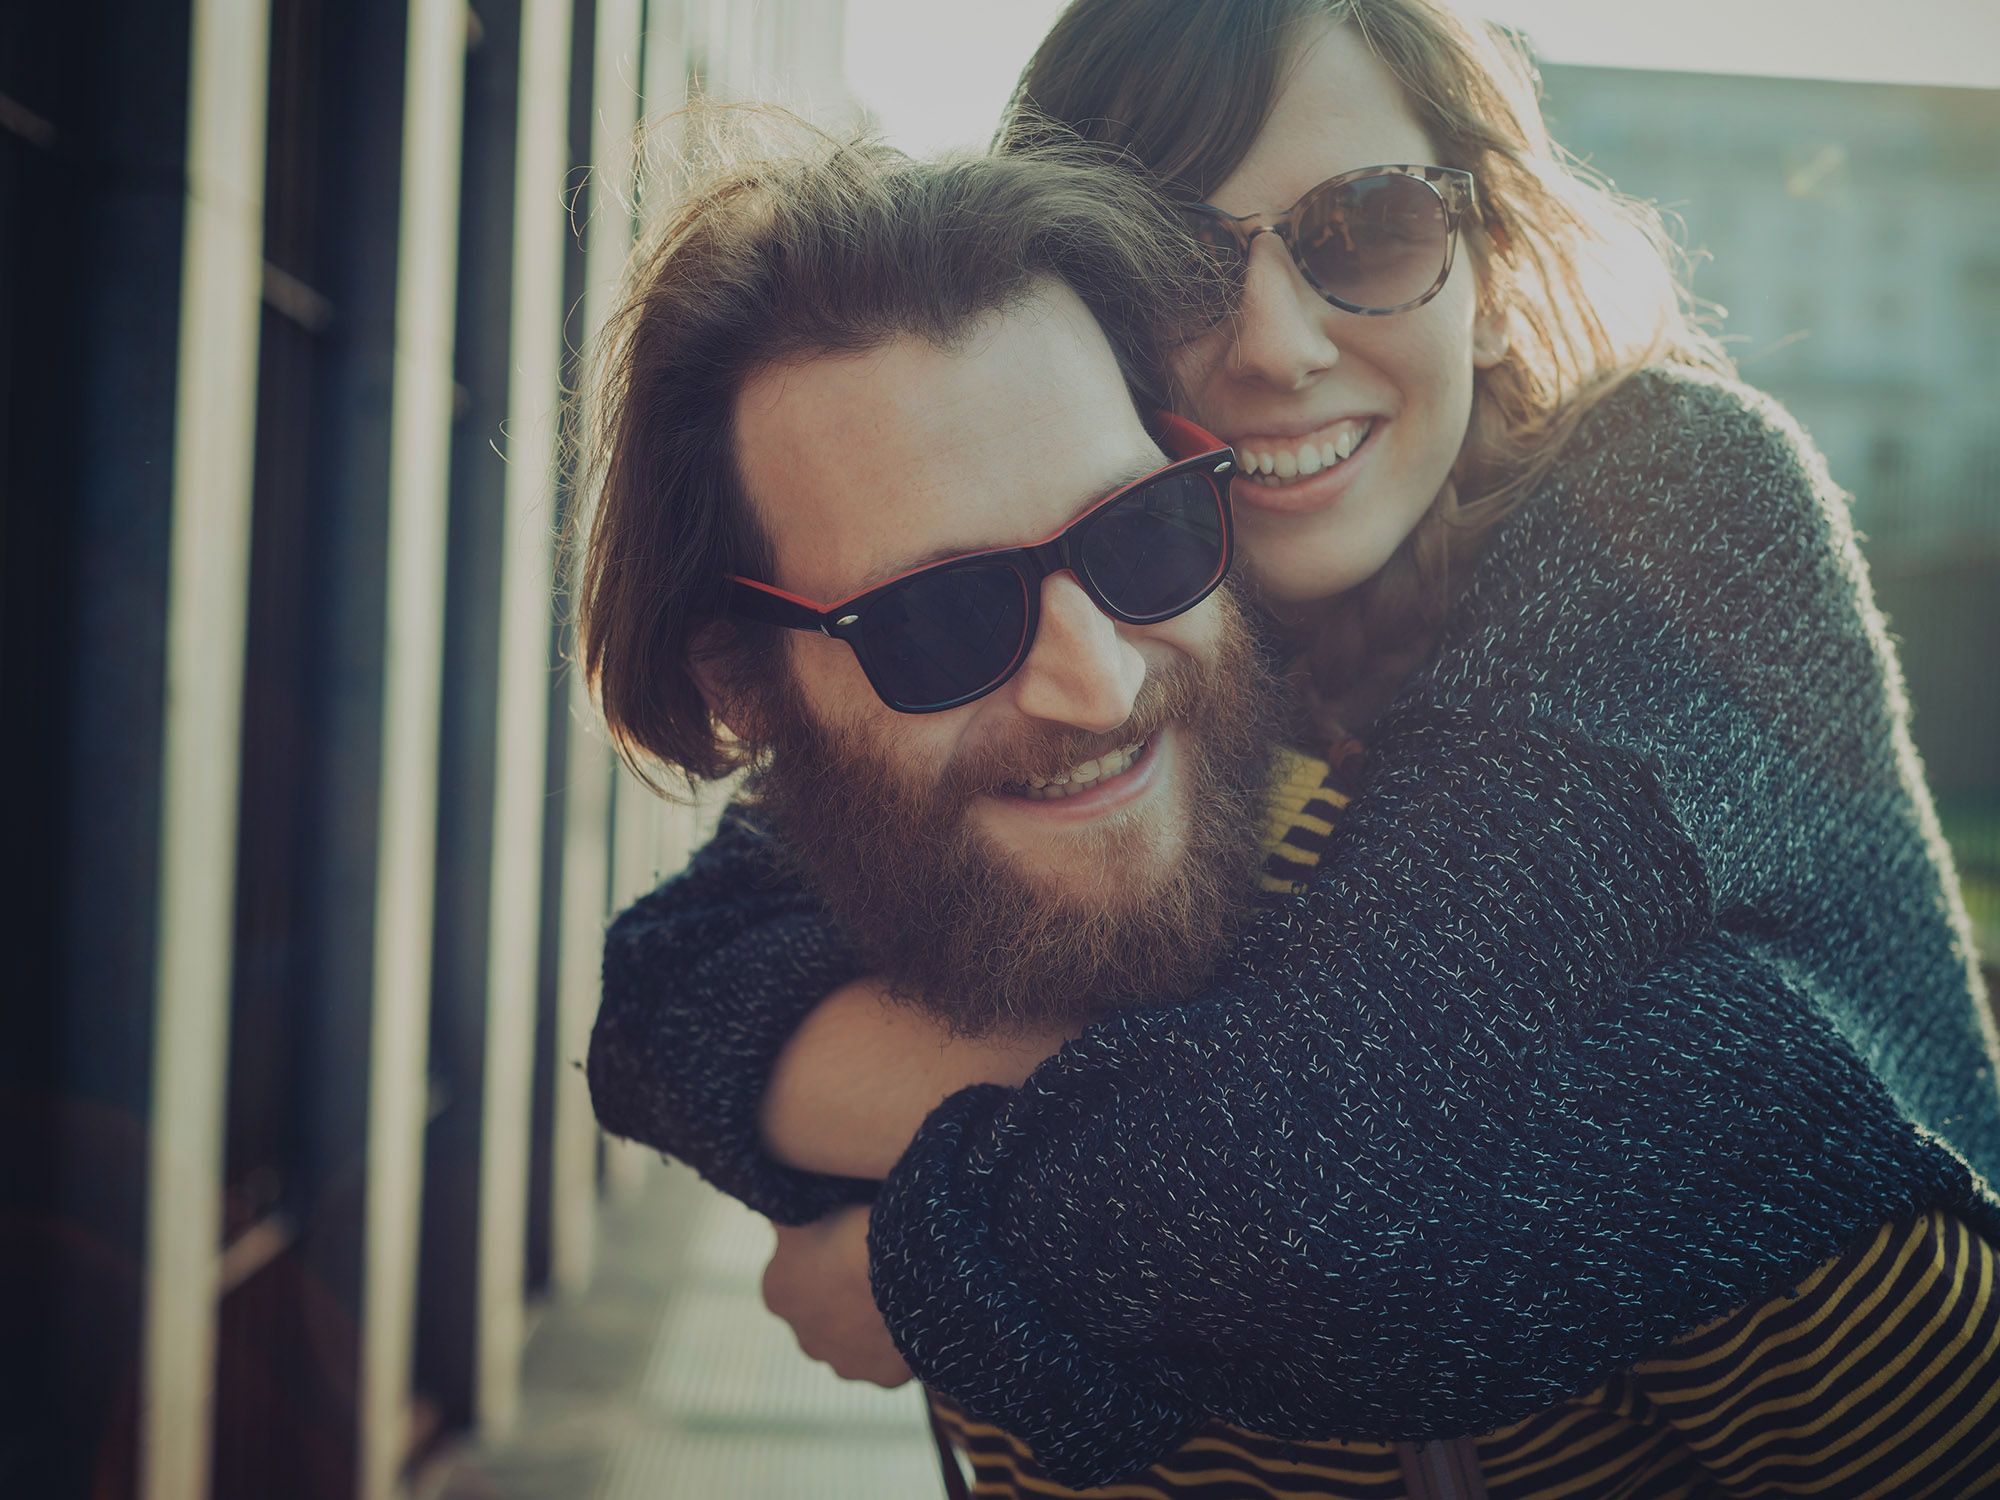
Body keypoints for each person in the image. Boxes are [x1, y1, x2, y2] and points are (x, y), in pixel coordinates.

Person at [582, 3, 2000, 1494]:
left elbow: (1301, 1171)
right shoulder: (1131, 596)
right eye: (1182, 268)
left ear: (1495, 266)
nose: (1277, 342)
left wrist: (909, 1252)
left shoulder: (1671, 512)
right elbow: (674, 988)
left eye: (1371, 229)